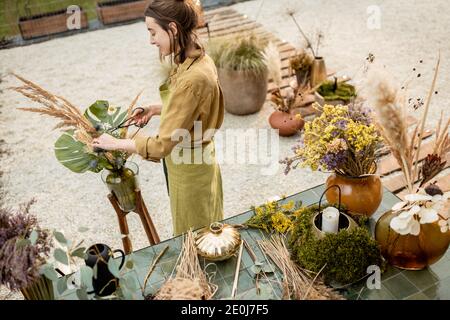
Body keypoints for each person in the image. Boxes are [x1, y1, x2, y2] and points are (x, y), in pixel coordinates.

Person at [93, 0, 224, 236]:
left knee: (196, 237)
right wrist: (155, 108)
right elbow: (192, 109)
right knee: (209, 229)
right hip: (199, 162)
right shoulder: (199, 60)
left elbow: (162, 145)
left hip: (190, 170)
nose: (151, 40)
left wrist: (114, 144)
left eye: (153, 32)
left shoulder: (191, 77)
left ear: (172, 29)